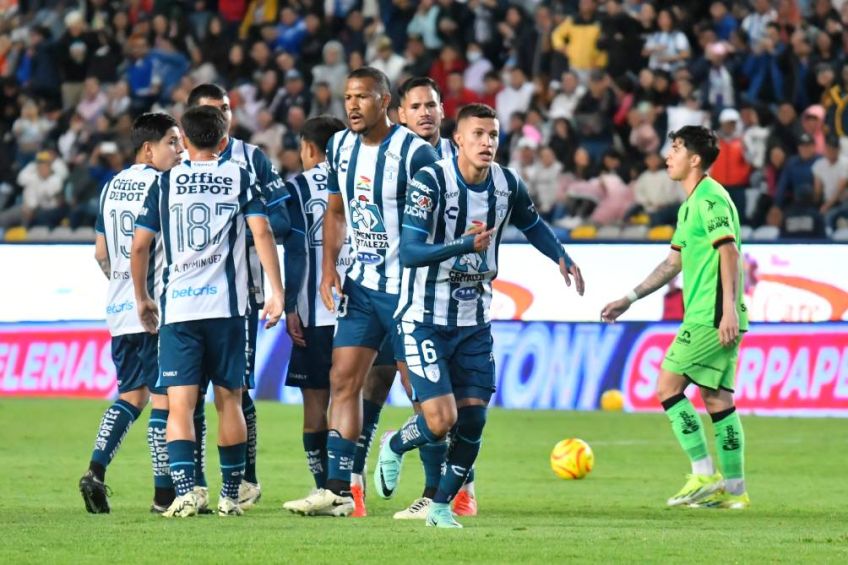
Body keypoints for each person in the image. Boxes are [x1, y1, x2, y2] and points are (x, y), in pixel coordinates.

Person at [373, 103, 585, 528]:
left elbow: (533, 223)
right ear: (459, 140)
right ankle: (395, 445)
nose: (487, 143)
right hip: (423, 318)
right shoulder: (431, 181)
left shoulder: (507, 185)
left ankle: (439, 508)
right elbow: (411, 253)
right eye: (478, 135)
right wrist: (462, 247)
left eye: (493, 135)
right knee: (440, 420)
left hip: (474, 321)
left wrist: (560, 255)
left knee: (473, 419)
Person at [287, 67, 439, 517]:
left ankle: (435, 494)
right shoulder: (340, 147)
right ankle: (338, 491)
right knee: (342, 380)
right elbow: (335, 211)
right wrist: (330, 267)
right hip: (362, 285)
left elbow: (439, 217)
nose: (353, 105)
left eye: (363, 97)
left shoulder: (414, 153)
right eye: (348, 96)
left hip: (408, 291)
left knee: (421, 392)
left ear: (385, 102)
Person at [130, 105, 284, 517]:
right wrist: (276, 292)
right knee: (229, 400)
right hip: (228, 309)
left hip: (179, 310)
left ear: (184, 138)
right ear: (222, 140)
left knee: (179, 405)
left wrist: (142, 297)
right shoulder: (239, 175)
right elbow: (262, 231)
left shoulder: (164, 182)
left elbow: (141, 245)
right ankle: (229, 496)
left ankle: (185, 492)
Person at [601, 125, 750, 510]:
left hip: (711, 314)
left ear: (695, 159)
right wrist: (630, 298)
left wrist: (728, 309)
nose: (669, 155)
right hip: (712, 312)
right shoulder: (691, 204)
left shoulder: (710, 199)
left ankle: (703, 473)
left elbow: (729, 251)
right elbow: (673, 263)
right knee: (717, 400)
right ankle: (734, 490)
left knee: (667, 387)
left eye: (677, 148)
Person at [185, 84, 291, 510]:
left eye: (226, 109)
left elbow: (281, 218)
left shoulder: (253, 160)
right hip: (186, 297)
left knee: (236, 390)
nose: (221, 117)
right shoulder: (177, 161)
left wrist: (238, 226)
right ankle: (192, 481)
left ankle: (245, 480)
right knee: (187, 394)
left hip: (240, 294)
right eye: (212, 111)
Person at [78, 113, 184, 514]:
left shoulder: (110, 187)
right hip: (153, 310)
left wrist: (120, 283)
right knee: (163, 401)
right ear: (148, 148)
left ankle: (96, 470)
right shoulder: (164, 184)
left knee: (130, 397)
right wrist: (144, 293)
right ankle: (163, 495)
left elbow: (100, 253)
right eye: (172, 143)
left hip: (118, 309)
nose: (179, 151)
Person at [278, 115, 349, 509]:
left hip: (316, 311)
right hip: (358, 311)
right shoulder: (358, 180)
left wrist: (291, 306)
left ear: (308, 148)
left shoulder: (299, 188)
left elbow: (297, 250)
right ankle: (346, 485)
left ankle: (326, 488)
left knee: (315, 409)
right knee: (350, 401)